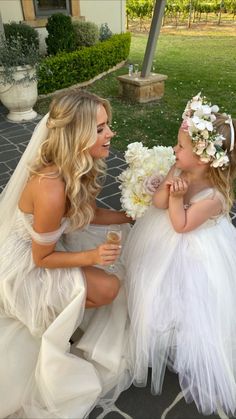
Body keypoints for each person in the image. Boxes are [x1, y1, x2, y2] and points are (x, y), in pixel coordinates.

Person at [0, 89, 132, 419]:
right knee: (108, 287)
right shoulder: (51, 186)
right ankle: (57, 321)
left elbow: (86, 214)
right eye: (100, 129)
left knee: (120, 244)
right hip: (26, 268)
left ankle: (67, 306)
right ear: (77, 135)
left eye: (107, 125)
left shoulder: (74, 166)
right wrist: (91, 256)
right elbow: (40, 259)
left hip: (46, 248)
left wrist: (130, 215)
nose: (110, 134)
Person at [123, 93, 236, 418]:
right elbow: (159, 203)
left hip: (195, 249)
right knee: (157, 289)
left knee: (190, 299)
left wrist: (178, 198)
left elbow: (181, 223)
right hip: (161, 240)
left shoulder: (215, 197)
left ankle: (185, 341)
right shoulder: (180, 168)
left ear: (202, 159)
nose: (175, 149)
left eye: (180, 147)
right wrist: (171, 183)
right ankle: (160, 335)